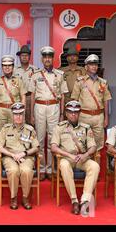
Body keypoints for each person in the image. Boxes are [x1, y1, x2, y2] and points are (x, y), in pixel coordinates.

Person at [50, 100, 99, 215]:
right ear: (66, 113)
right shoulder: (59, 127)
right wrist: (69, 155)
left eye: (76, 112)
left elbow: (93, 147)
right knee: (63, 165)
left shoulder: (86, 128)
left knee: (95, 166)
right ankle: (74, 201)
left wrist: (85, 155)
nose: (73, 114)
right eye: (70, 112)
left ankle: (85, 201)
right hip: (67, 158)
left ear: (79, 113)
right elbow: (53, 147)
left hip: (82, 159)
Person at [29, 46, 68, 179]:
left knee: (53, 140)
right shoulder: (36, 75)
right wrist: (32, 115)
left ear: (52, 59)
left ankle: (51, 169)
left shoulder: (59, 75)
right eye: (45, 57)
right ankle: (41, 168)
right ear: (42, 59)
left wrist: (62, 113)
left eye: (49, 57)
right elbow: (32, 95)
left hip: (54, 108)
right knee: (39, 139)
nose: (47, 59)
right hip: (39, 107)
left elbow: (62, 95)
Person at [0, 102, 39, 210]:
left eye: (20, 114)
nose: (18, 117)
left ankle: (25, 197)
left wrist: (24, 153)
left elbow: (36, 148)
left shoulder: (30, 130)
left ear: (24, 115)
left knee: (26, 171)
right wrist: (12, 155)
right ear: (12, 115)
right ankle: (13, 197)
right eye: (16, 114)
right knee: (13, 170)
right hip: (9, 157)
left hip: (26, 157)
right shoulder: (6, 128)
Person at [71, 54, 112, 150]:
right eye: (91, 64)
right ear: (86, 67)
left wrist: (106, 118)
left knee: (98, 144)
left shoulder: (103, 82)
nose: (94, 66)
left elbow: (106, 100)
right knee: (82, 142)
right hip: (84, 116)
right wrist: (74, 117)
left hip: (99, 117)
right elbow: (74, 101)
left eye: (96, 64)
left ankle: (96, 164)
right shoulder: (80, 81)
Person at [0, 55, 26, 139]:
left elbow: (23, 97)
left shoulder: (18, 80)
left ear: (13, 67)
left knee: (15, 135)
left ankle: (13, 152)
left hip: (14, 111)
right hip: (0, 112)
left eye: (9, 65)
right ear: (2, 67)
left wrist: (22, 114)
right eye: (5, 65)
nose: (7, 68)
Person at [14, 44, 38, 125]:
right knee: (19, 121)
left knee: (32, 121)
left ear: (29, 57)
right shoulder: (14, 70)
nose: (24, 57)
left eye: (26, 55)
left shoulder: (35, 70)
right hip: (18, 98)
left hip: (31, 98)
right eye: (22, 55)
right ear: (19, 57)